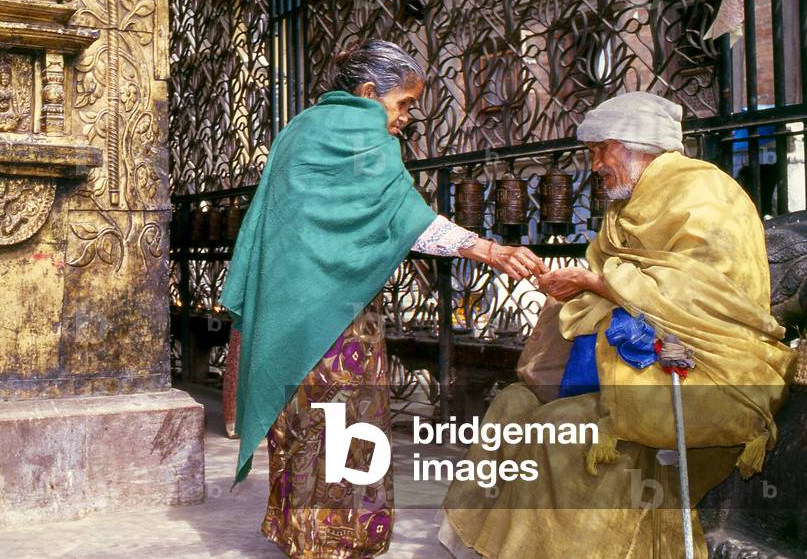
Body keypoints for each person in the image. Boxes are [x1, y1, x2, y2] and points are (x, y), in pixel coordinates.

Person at [220, 39, 548, 558]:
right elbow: (408, 220)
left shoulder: (299, 130)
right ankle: (338, 541)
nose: (406, 118)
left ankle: (298, 533)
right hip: (338, 320)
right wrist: (487, 249)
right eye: (404, 104)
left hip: (289, 314)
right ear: (370, 92)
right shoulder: (363, 134)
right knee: (345, 422)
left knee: (304, 421)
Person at [438, 91, 797, 559]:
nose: (594, 166)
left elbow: (704, 296)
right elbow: (615, 280)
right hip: (619, 363)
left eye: (600, 150)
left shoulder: (707, 194)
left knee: (560, 430)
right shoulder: (627, 204)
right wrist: (577, 286)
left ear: (635, 145)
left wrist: (597, 282)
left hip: (707, 367)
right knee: (511, 405)